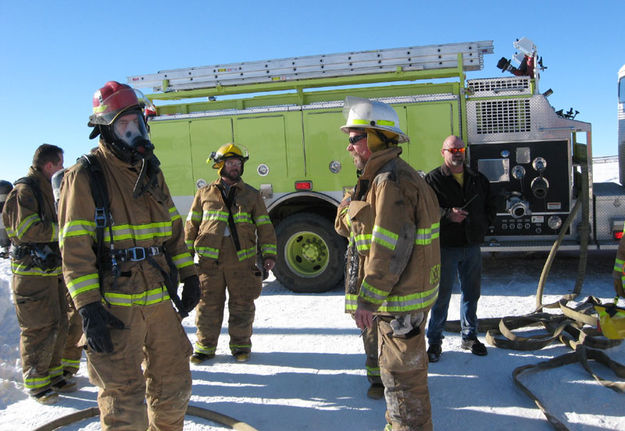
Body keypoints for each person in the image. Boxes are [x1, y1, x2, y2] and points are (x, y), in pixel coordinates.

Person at [58, 81, 200, 430]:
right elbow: (74, 249)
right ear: (105, 129)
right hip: (113, 307)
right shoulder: (85, 176)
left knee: (174, 388)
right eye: (124, 125)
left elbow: (173, 231)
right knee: (124, 404)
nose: (134, 132)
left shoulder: (151, 171)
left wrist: (189, 274)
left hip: (157, 300)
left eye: (137, 122)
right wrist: (88, 307)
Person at [335, 96, 440, 431]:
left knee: (402, 383)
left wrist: (368, 298)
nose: (349, 146)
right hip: (396, 299)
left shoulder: (390, 180)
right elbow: (350, 229)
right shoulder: (378, 177)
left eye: (354, 138)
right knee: (397, 379)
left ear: (376, 137)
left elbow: (390, 247)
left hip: (397, 302)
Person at [186, 143, 277, 364]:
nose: (235, 167)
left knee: (242, 304)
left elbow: (265, 226)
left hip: (241, 262)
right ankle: (204, 348)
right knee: (207, 305)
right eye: (231, 163)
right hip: (209, 263)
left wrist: (269, 254)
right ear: (220, 165)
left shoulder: (252, 196)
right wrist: (185, 257)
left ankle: (240, 346)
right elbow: (191, 225)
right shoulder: (204, 194)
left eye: (238, 164)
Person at [2, 144, 76, 404]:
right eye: (60, 165)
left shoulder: (46, 189)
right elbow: (26, 229)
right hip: (31, 276)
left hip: (50, 272)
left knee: (59, 322)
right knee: (37, 328)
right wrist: (63, 229)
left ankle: (54, 376)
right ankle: (36, 384)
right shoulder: (25, 191)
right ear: (49, 166)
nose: (63, 170)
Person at [424, 135, 495, 362]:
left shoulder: (477, 178)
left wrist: (483, 226)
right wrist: (447, 216)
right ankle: (434, 342)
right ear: (443, 152)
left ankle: (469, 336)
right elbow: (425, 211)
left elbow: (490, 205)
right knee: (441, 296)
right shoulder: (433, 180)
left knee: (471, 294)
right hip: (446, 247)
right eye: (452, 149)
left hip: (472, 245)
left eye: (460, 149)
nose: (457, 153)